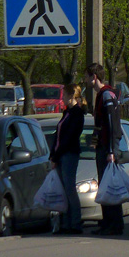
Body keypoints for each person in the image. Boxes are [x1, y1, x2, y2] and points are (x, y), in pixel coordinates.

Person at [85, 64, 124, 236]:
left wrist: (110, 151)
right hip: (102, 146)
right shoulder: (101, 95)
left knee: (110, 187)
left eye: (86, 76)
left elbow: (111, 124)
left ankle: (114, 225)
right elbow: (99, 126)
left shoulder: (106, 95)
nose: (85, 80)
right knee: (105, 185)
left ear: (94, 77)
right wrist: (94, 143)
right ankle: (107, 223)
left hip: (108, 149)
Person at [50, 84, 86, 234]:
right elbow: (58, 135)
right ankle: (65, 223)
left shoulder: (77, 114)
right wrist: (53, 154)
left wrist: (57, 155)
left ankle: (75, 223)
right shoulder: (67, 113)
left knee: (70, 189)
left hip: (69, 154)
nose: (62, 98)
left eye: (64, 95)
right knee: (63, 190)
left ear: (71, 96)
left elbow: (69, 138)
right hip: (61, 155)